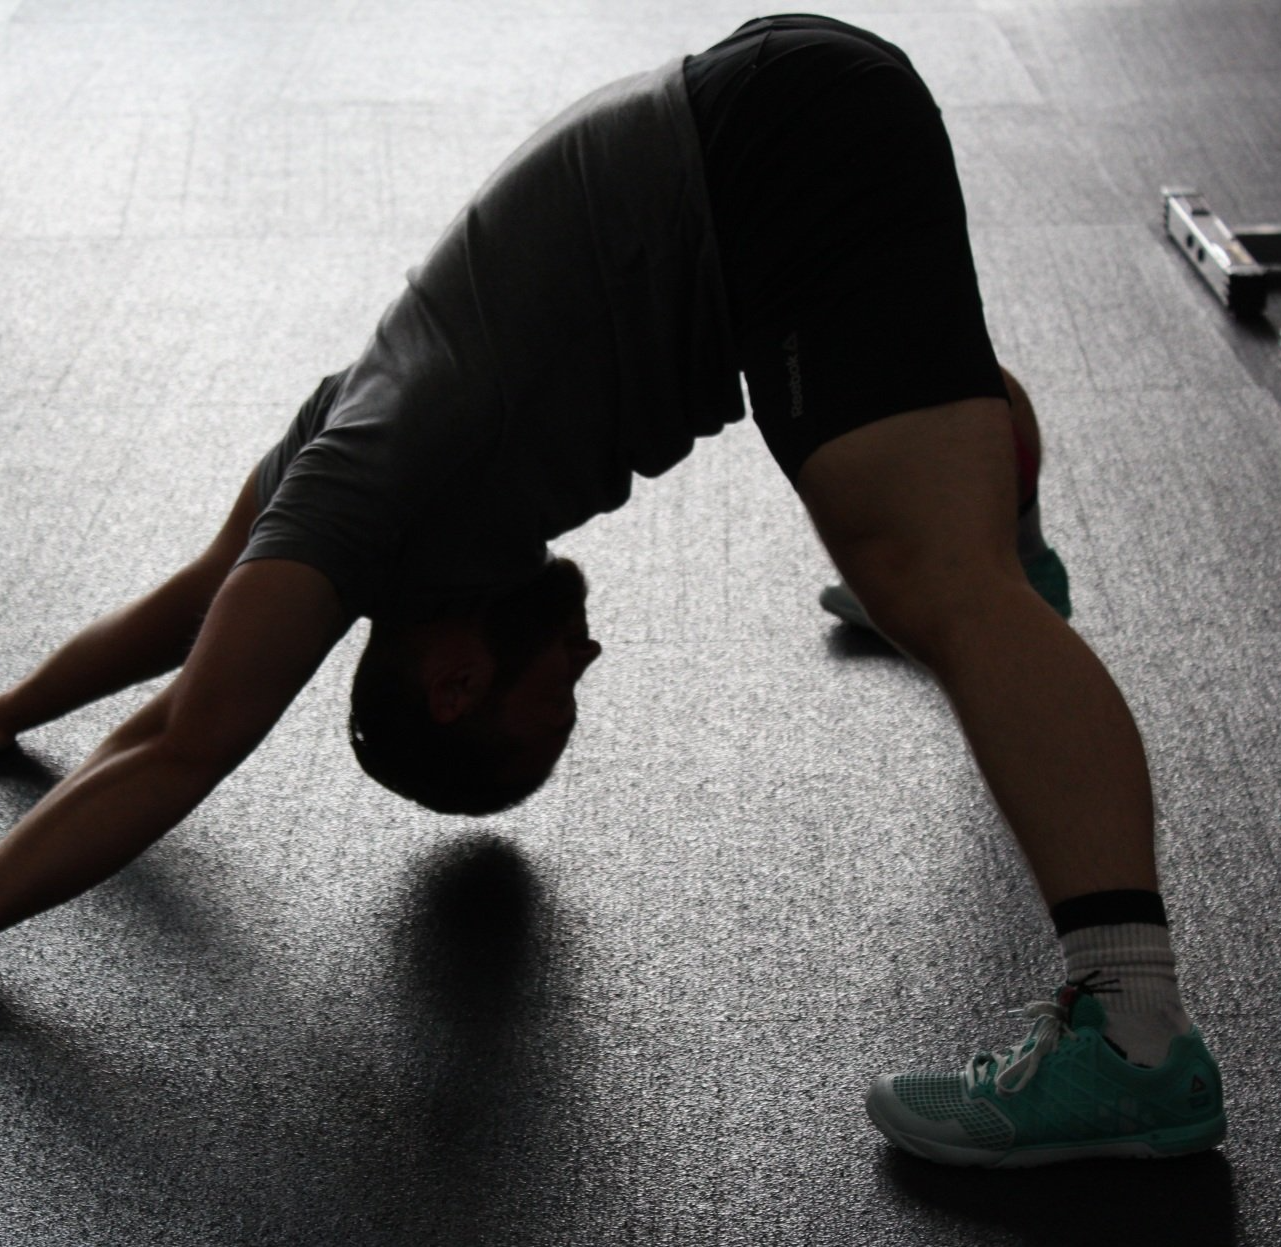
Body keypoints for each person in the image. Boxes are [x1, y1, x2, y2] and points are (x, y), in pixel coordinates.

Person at [0, 14, 1224, 1167]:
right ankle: (1012, 564)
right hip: (779, 106)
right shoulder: (353, 484)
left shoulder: (364, 491)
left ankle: (1133, 1034)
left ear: (456, 677)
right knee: (911, 474)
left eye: (554, 700)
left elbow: (176, 735)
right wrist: (9, 711)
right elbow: (187, 604)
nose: (586, 663)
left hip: (764, 161)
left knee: (936, 580)